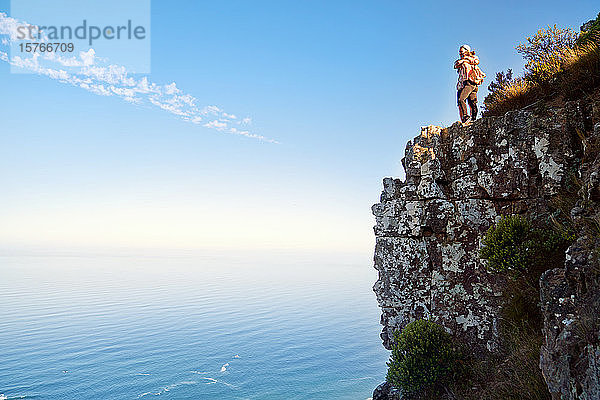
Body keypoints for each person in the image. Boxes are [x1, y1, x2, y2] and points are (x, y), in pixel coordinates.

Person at [454, 44, 480, 124]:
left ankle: (468, 118)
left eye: (462, 52)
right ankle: (469, 119)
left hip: (471, 82)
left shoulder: (473, 57)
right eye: (459, 52)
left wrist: (464, 60)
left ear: (467, 51)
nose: (460, 54)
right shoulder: (459, 61)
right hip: (462, 84)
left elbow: (476, 61)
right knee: (467, 102)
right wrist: (462, 61)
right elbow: (455, 65)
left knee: (465, 100)